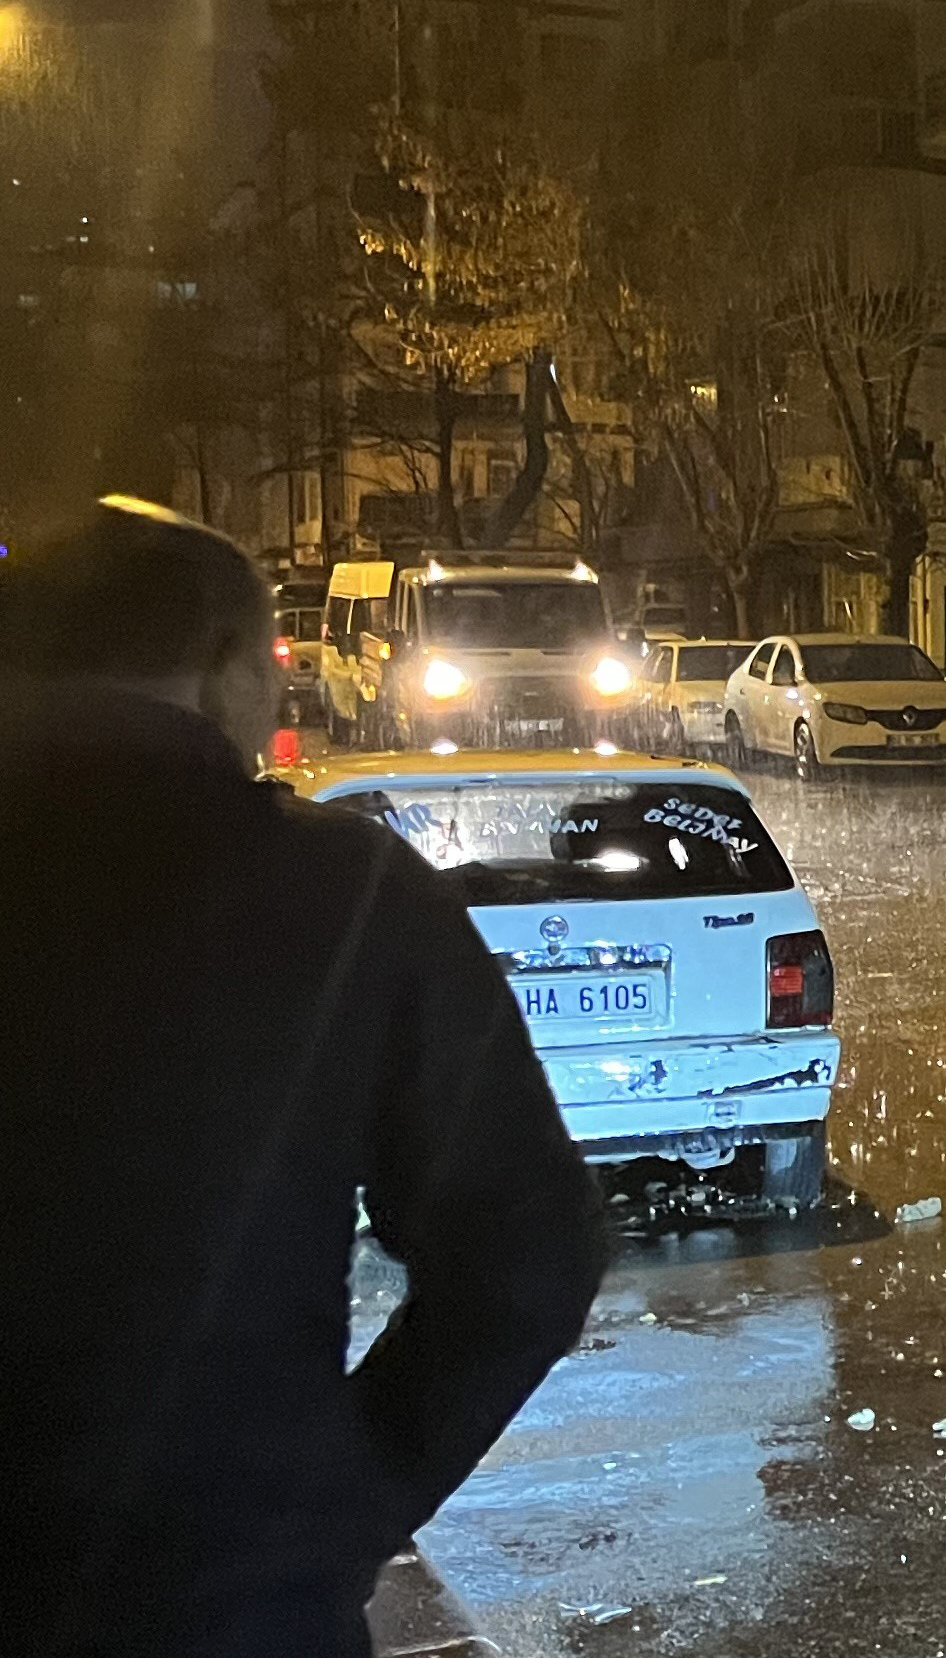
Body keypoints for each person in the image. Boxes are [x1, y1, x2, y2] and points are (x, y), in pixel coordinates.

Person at [0, 500, 610, 1656]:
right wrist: (332, 1503)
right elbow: (527, 1250)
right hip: (221, 1599)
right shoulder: (338, 894)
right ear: (230, 667)